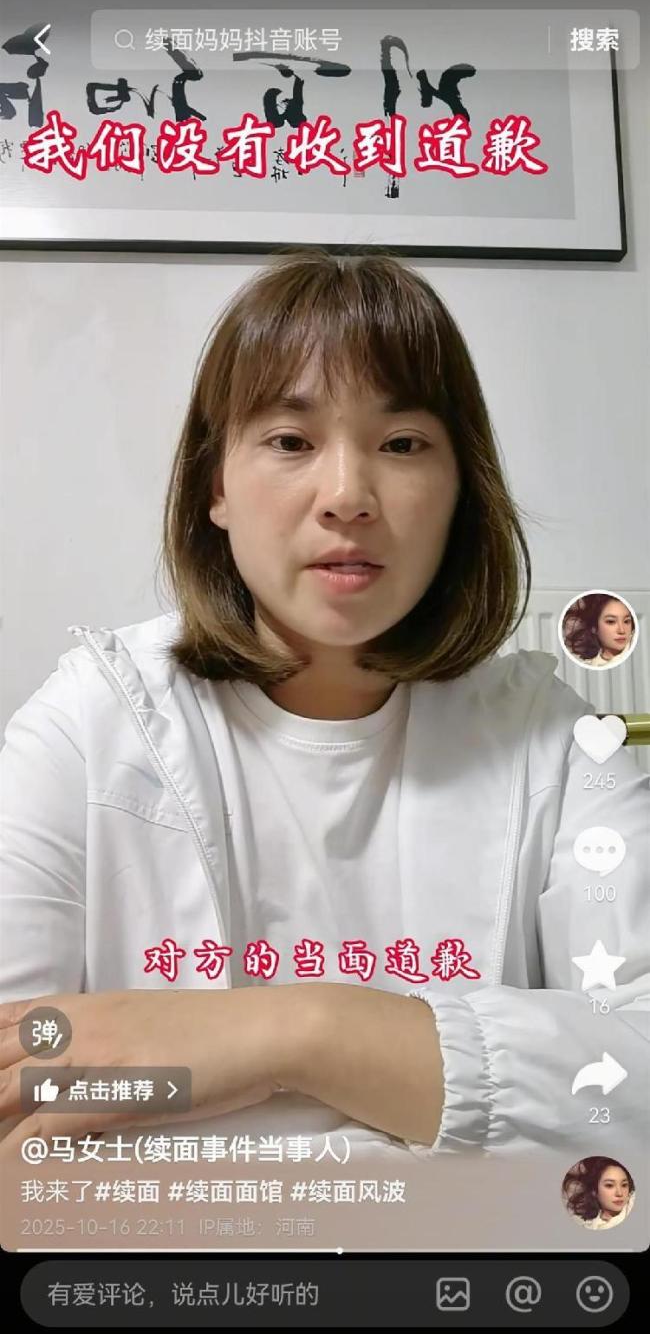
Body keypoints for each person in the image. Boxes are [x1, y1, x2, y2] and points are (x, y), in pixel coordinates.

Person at [0, 248, 648, 1164]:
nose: (347, 496)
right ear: (215, 487)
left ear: (460, 489)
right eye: (290, 441)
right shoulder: (89, 727)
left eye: (403, 443)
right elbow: (20, 1100)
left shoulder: (555, 741)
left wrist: (293, 1033)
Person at [562, 593, 635, 668]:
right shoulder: (589, 665)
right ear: (594, 628)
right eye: (611, 622)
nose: (622, 630)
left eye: (626, 621)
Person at [562, 1157, 636, 1230]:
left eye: (624, 1185)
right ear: (594, 1191)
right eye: (609, 1185)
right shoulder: (588, 1225)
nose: (619, 1193)